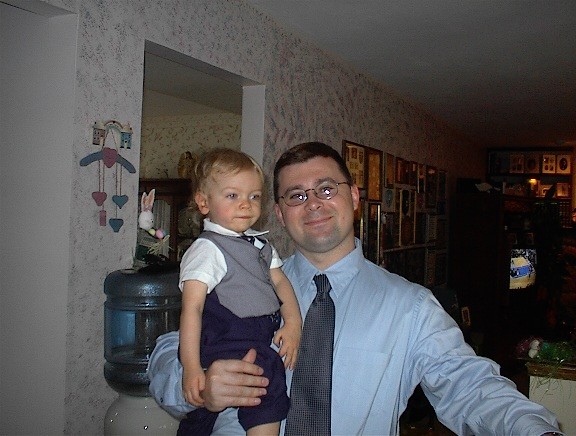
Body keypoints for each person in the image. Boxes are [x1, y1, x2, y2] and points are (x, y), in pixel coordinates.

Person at [148, 142, 562, 435]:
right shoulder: (239, 281)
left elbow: (470, 386)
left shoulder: (411, 306)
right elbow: (166, 354)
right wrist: (197, 384)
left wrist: (535, 431)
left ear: (355, 197)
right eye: (296, 195)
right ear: (278, 213)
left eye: (327, 189)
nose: (313, 203)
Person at [175, 148, 302, 435]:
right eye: (233, 195)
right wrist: (192, 367)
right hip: (226, 335)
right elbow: (192, 309)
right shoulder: (207, 249)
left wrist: (294, 322)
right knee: (263, 382)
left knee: (260, 383)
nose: (246, 204)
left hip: (255, 336)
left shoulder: (261, 245)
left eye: (254, 196)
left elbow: (281, 283)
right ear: (204, 202)